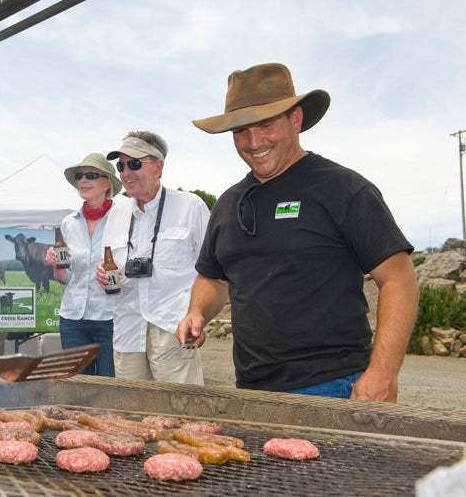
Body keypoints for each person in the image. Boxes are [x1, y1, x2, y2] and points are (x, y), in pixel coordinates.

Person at [176, 62, 419, 402]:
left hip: (335, 386)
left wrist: (383, 372)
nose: (253, 141)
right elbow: (214, 280)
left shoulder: (344, 189)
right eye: (241, 131)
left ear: (295, 119)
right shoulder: (228, 203)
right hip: (252, 389)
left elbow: (398, 278)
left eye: (265, 125)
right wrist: (197, 312)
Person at [95, 131, 210, 384]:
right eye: (121, 166)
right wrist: (103, 275)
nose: (126, 172)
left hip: (173, 328)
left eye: (134, 163)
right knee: (132, 414)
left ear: (158, 166)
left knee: (181, 411)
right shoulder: (116, 215)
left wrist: (200, 317)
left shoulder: (191, 206)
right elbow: (111, 269)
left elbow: (214, 272)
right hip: (127, 329)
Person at [44, 153, 123, 376]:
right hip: (72, 319)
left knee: (110, 386)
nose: (83, 180)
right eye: (80, 176)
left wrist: (118, 273)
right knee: (78, 387)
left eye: (90, 175)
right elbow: (65, 278)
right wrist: (55, 264)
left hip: (110, 319)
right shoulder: (69, 223)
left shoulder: (122, 218)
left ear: (107, 183)